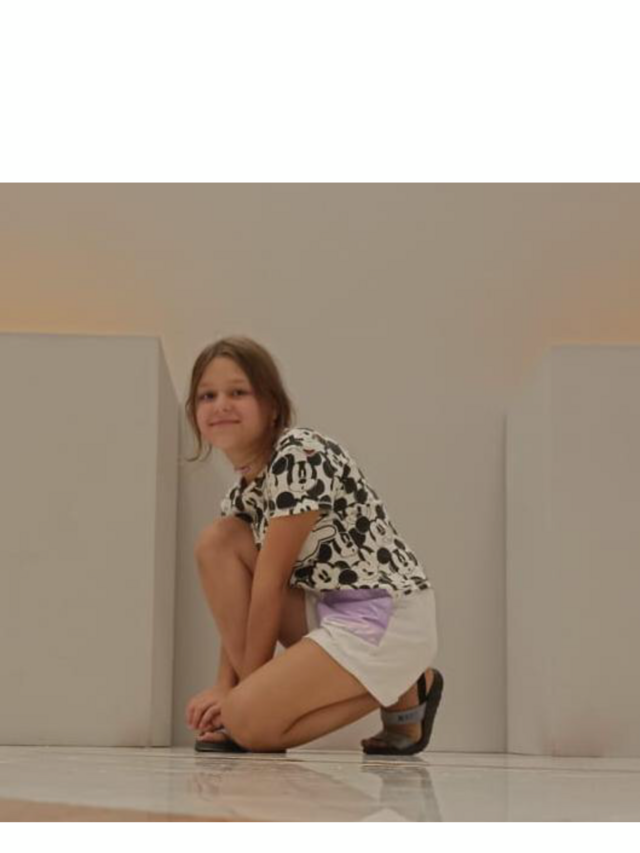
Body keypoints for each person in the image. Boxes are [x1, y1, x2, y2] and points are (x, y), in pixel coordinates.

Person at [183, 335, 443, 754]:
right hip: (328, 610)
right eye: (206, 396)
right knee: (218, 541)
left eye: (238, 393)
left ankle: (409, 675)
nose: (221, 405)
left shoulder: (299, 455)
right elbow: (241, 602)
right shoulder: (242, 494)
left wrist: (243, 696)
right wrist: (224, 685)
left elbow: (269, 585)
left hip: (384, 614)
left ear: (272, 406)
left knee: (248, 723)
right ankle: (404, 683)